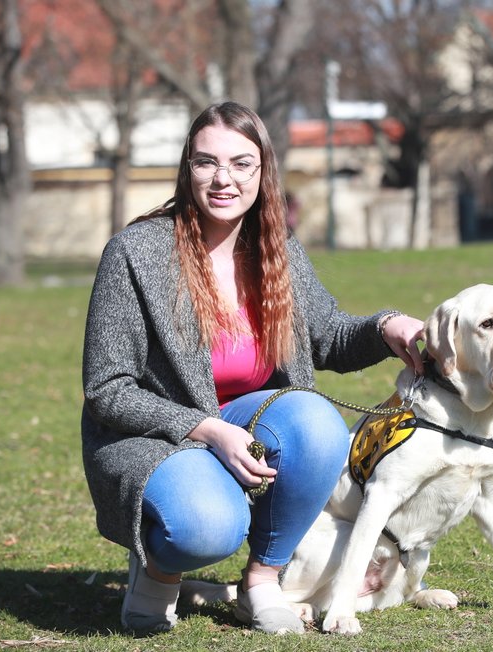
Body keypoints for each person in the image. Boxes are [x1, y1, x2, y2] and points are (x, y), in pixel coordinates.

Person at [81, 101, 424, 636]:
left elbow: (326, 337)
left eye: (242, 163)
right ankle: (158, 569)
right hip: (158, 433)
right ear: (186, 168)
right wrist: (210, 430)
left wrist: (387, 327)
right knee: (206, 527)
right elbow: (107, 389)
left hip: (249, 422)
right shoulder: (135, 252)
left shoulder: (276, 248)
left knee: (315, 421)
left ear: (263, 171)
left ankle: (262, 582)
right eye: (206, 162)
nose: (224, 178)